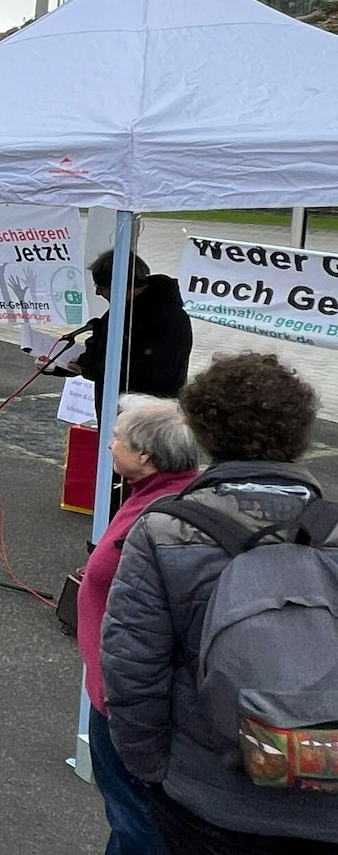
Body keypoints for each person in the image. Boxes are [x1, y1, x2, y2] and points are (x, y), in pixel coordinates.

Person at [104, 353, 338, 853]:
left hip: (208, 791)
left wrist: (155, 770)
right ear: (300, 433)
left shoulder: (165, 530)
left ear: (204, 432)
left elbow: (133, 668)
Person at [78, 397, 199, 855]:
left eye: (118, 439)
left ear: (145, 455)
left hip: (129, 697)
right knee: (129, 815)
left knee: (137, 820)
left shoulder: (165, 515)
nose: (109, 444)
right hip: (120, 686)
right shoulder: (154, 496)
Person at [70, 251, 193, 399]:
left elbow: (152, 374)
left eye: (102, 288)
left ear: (124, 288)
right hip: (118, 404)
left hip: (147, 410)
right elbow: (101, 350)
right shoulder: (123, 309)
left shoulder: (167, 319)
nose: (97, 293)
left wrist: (90, 368)